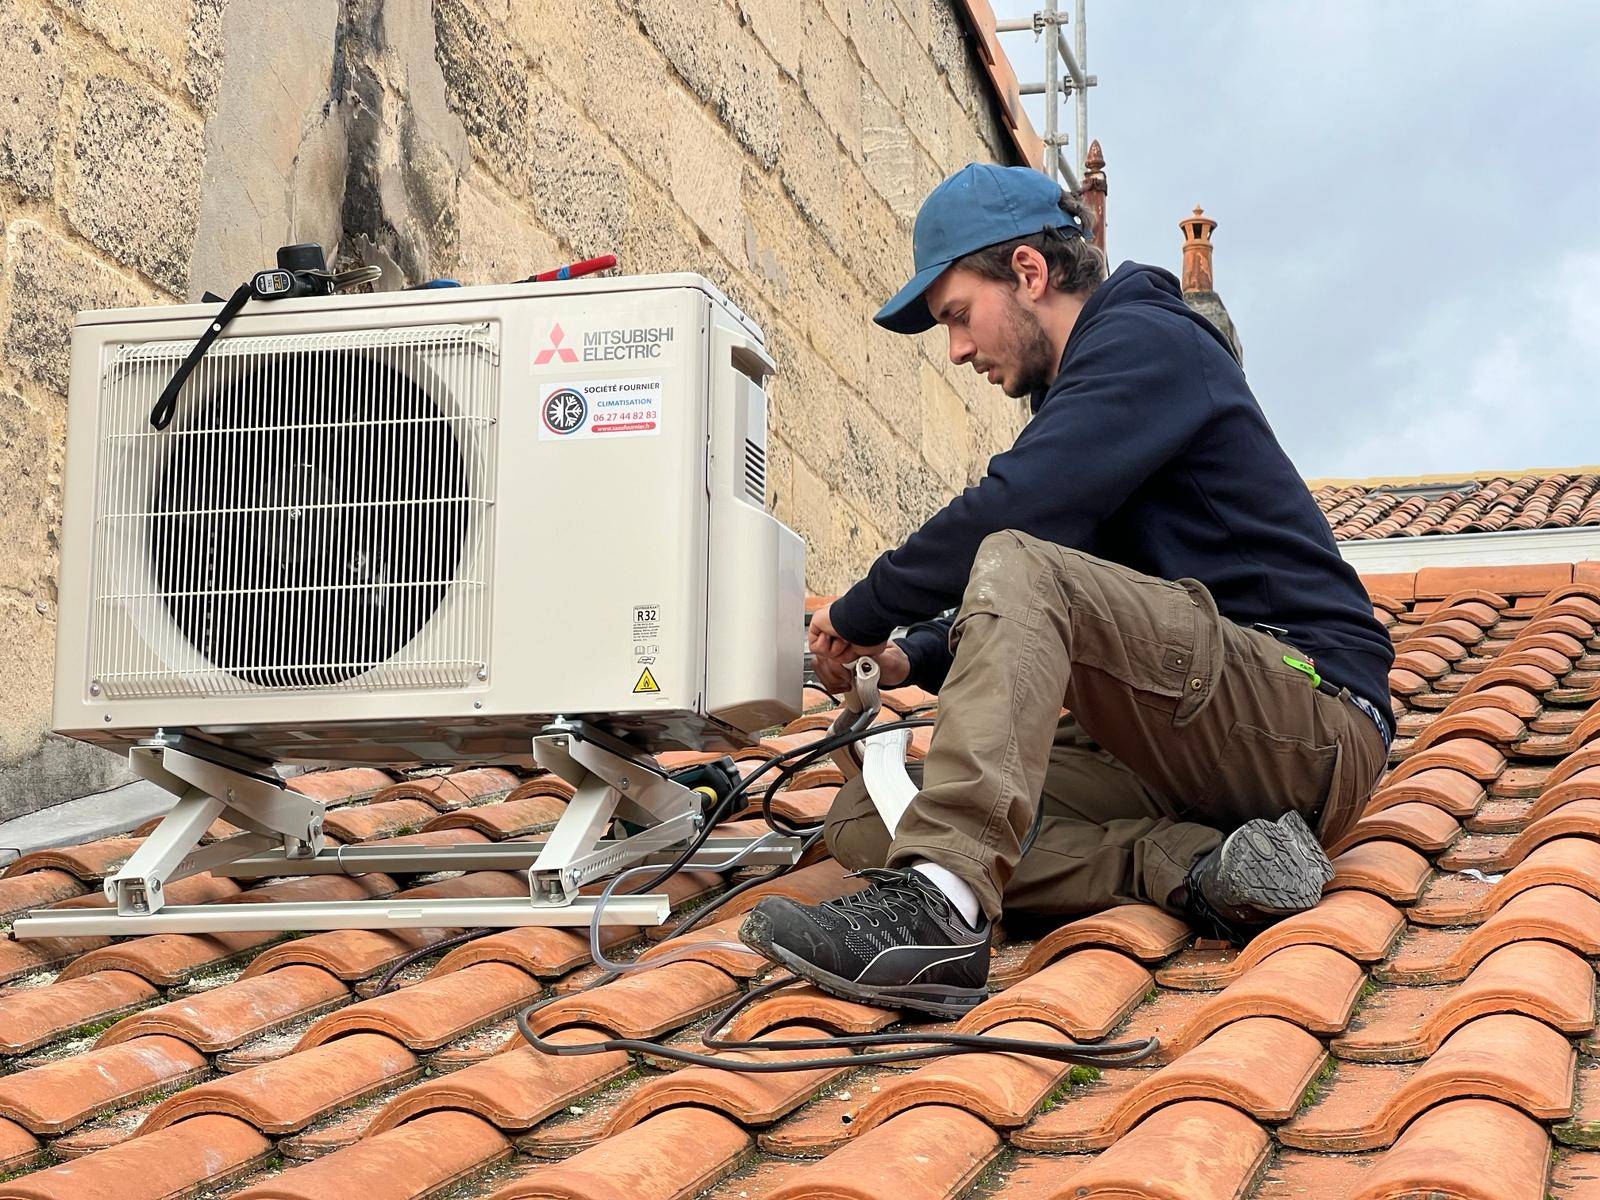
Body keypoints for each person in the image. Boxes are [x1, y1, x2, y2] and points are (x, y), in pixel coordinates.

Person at [738, 163, 1395, 1018]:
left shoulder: (1151, 342)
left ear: (1028, 272)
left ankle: (938, 916)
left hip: (1309, 711)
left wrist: (861, 610)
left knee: (1015, 554)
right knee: (872, 813)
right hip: (1182, 741)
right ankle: (1199, 868)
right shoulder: (1083, 406)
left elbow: (1019, 527)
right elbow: (1049, 583)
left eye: (958, 318)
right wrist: (908, 656)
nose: (959, 351)